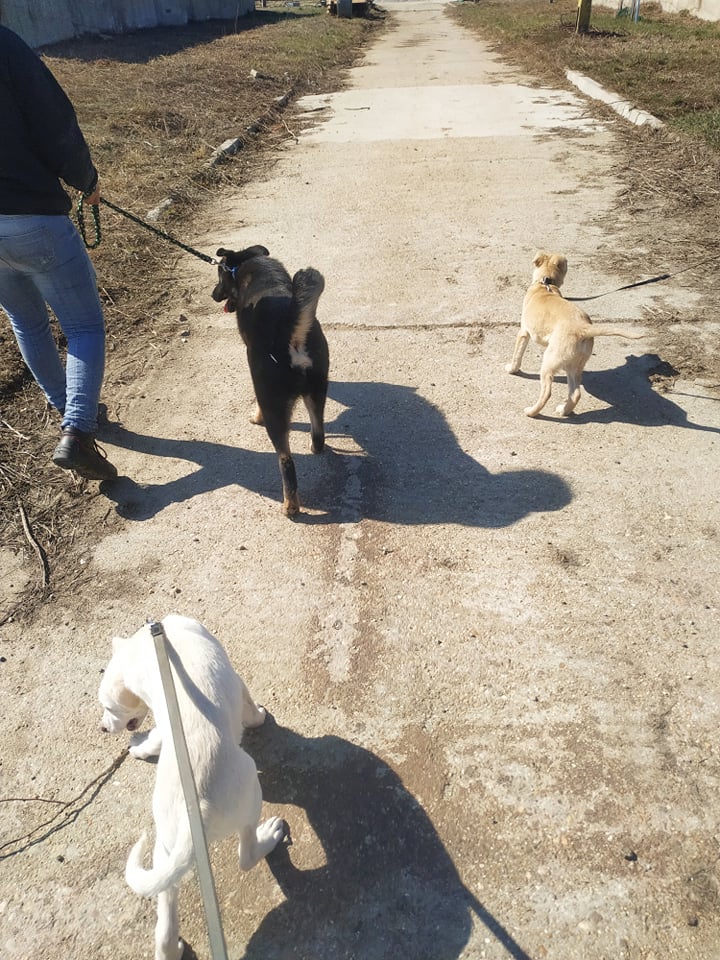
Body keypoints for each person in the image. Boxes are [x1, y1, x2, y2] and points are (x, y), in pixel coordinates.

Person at [0, 24, 117, 481]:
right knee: (83, 326)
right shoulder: (5, 46)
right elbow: (54, 123)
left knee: (26, 323)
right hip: (33, 216)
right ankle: (77, 432)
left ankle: (69, 407)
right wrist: (87, 180)